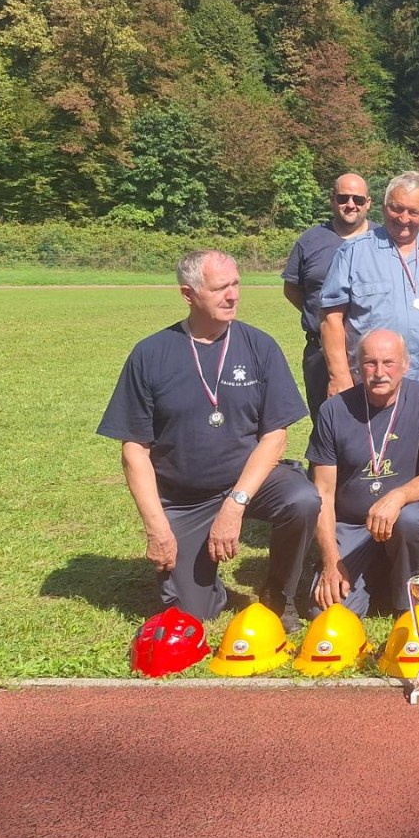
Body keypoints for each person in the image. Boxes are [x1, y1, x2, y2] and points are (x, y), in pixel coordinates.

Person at [98, 249, 319, 630]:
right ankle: (202, 582)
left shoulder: (259, 346)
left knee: (302, 498)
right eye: (219, 288)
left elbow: (275, 437)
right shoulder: (150, 354)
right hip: (185, 498)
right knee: (190, 615)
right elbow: (134, 449)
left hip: (248, 482)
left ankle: (278, 594)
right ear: (188, 294)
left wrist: (235, 505)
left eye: (235, 284)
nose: (232, 296)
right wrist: (157, 527)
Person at [307, 329, 419, 617]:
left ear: (405, 364)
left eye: (389, 363)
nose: (380, 372)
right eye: (370, 363)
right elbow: (323, 492)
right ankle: (374, 574)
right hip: (352, 524)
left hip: (404, 517)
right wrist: (331, 561)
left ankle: (404, 600)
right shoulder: (333, 410)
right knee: (326, 612)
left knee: (411, 520)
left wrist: (398, 496)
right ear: (357, 366)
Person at [319, 171, 419, 405]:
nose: (404, 218)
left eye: (413, 212)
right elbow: (331, 319)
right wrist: (339, 375)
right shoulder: (353, 253)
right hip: (371, 385)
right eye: (397, 209)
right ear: (384, 208)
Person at [281, 173, 370, 413]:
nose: (350, 204)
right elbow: (292, 289)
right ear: (332, 200)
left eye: (358, 199)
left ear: (368, 203)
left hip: (370, 350)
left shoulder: (382, 240)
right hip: (320, 352)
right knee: (326, 422)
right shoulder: (311, 240)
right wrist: (323, 316)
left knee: (375, 426)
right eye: (343, 198)